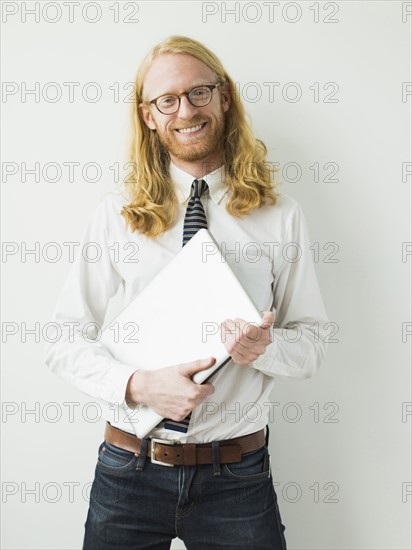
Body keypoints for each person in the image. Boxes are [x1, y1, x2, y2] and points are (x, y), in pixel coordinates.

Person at [44, 35, 329, 550]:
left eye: (199, 92)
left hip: (236, 478)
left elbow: (309, 344)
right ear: (149, 115)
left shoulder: (280, 215)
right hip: (127, 472)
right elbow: (62, 339)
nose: (186, 111)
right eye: (167, 100)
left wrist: (266, 349)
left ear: (224, 97)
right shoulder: (116, 217)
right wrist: (136, 384)